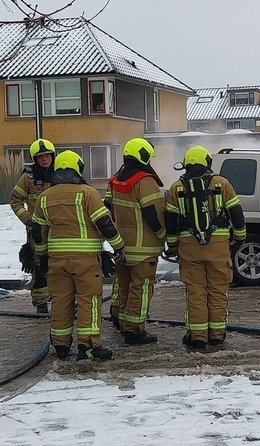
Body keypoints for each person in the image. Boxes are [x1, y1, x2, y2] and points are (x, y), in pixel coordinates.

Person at [30, 150, 125, 361]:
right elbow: (105, 224)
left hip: (56, 262)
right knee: (88, 302)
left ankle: (61, 345)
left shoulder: (45, 197)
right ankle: (89, 346)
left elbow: (37, 231)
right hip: (85, 262)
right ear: (77, 168)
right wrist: (119, 247)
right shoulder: (87, 193)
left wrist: (43, 258)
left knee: (61, 302)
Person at [164, 145, 246, 349]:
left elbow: (170, 220)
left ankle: (198, 336)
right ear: (207, 163)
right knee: (218, 290)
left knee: (196, 291)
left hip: (189, 246)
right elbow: (236, 212)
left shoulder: (176, 188)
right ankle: (217, 335)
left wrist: (173, 244)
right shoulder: (221, 183)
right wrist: (240, 237)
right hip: (217, 245)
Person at [105, 138, 166, 345]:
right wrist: (163, 234)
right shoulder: (144, 181)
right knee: (140, 289)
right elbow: (152, 212)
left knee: (124, 286)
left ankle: (123, 323)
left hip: (122, 246)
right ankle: (135, 330)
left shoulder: (116, 180)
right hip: (144, 248)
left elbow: (108, 207)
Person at [10, 139, 56, 313]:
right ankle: (41, 304)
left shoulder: (60, 174)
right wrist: (28, 220)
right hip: (37, 232)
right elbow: (15, 200)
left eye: (47, 156)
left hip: (59, 230)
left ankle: (63, 303)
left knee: (60, 265)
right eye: (40, 157)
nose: (44, 160)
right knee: (39, 266)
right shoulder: (27, 178)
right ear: (35, 159)